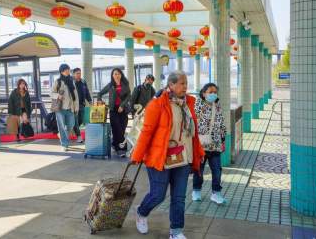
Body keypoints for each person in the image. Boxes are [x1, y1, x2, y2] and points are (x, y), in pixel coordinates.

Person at [131, 70, 205, 239]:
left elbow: (193, 133)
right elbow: (146, 132)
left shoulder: (189, 103)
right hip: (161, 157)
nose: (185, 86)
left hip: (183, 157)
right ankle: (142, 212)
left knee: (179, 198)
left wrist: (198, 152)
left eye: (186, 83)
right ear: (171, 85)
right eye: (181, 83)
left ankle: (176, 231)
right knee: (158, 194)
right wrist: (137, 155)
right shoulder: (158, 104)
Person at [192, 83, 227, 204]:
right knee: (199, 170)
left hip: (215, 143)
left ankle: (216, 193)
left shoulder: (217, 105)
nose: (213, 94)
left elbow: (221, 122)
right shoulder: (198, 104)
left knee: (217, 170)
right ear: (203, 93)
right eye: (210, 92)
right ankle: (196, 190)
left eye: (215, 92)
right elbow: (192, 121)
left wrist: (223, 140)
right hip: (201, 144)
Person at [97, 68, 131, 156]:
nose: (117, 75)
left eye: (118, 74)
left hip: (123, 110)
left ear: (121, 75)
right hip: (113, 110)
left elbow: (128, 96)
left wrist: (122, 105)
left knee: (122, 129)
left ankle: (114, 144)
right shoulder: (110, 85)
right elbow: (99, 93)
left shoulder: (125, 84)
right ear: (112, 76)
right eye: (115, 74)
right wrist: (99, 100)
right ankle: (121, 149)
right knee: (117, 128)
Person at [50, 64, 79, 151]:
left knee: (71, 125)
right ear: (61, 71)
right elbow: (51, 93)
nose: (67, 71)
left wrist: (76, 106)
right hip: (60, 108)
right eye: (65, 70)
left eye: (68, 69)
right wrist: (58, 95)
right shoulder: (58, 81)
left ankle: (62, 135)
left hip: (70, 108)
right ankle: (64, 144)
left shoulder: (71, 81)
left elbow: (75, 95)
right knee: (62, 126)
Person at [72, 68, 92, 142]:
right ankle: (79, 136)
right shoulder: (71, 82)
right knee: (76, 121)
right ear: (73, 74)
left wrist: (89, 100)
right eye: (77, 73)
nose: (79, 75)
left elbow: (86, 91)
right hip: (74, 105)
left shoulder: (83, 81)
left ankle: (73, 129)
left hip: (82, 104)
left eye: (80, 73)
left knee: (81, 120)